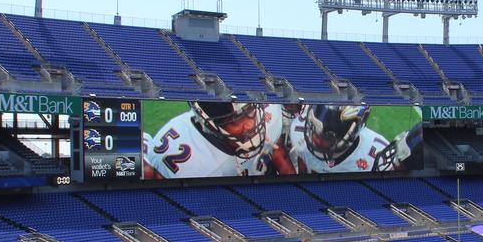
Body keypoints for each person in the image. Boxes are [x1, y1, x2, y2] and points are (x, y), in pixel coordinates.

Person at [142, 101, 284, 178]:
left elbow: (279, 152)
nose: (249, 125)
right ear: (209, 125)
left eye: (249, 111)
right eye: (235, 121)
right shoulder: (197, 170)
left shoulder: (270, 111)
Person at [287, 104, 387, 173]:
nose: (315, 139)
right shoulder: (298, 131)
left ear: (352, 132)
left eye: (328, 136)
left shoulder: (376, 153)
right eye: (313, 127)